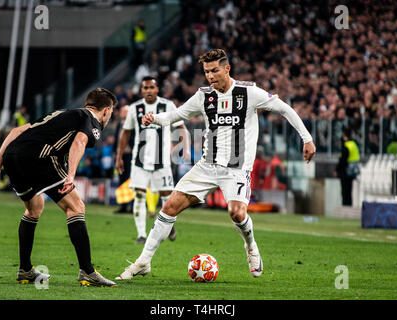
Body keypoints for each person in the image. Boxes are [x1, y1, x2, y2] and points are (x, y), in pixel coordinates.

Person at [115, 49, 316, 280]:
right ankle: (143, 262)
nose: (210, 76)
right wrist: (155, 119)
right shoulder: (203, 96)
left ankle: (251, 246)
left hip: (237, 169)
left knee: (236, 213)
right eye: (206, 72)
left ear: (227, 68)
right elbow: (177, 115)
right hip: (207, 166)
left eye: (214, 70)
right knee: (169, 207)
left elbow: (283, 108)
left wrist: (307, 138)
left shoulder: (248, 92)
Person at [0, 88, 118, 287]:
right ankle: (87, 271)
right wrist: (71, 175)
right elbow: (80, 141)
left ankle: (25, 270)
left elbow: (17, 131)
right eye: (111, 112)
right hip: (40, 157)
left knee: (34, 208)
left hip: (12, 157)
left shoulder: (61, 113)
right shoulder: (91, 121)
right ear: (106, 110)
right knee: (76, 207)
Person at [115, 76, 190, 244]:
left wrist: (184, 147)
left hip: (162, 161)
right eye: (145, 88)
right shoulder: (135, 108)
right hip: (139, 162)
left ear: (157, 89)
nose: (148, 91)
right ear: (142, 90)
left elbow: (181, 126)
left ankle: (169, 227)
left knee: (167, 197)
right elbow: (126, 132)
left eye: (151, 88)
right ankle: (142, 235)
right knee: (139, 196)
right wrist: (119, 156)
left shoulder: (168, 106)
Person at [335, 127, 360, 206]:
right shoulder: (354, 144)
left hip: (346, 171)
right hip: (353, 171)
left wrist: (337, 170)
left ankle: (345, 206)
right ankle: (349, 205)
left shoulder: (346, 146)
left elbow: (343, 160)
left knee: (345, 191)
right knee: (349, 190)